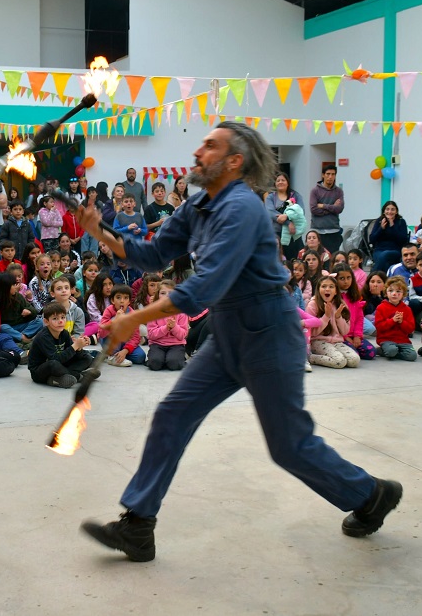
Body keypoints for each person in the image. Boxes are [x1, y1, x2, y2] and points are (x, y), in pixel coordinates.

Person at [77, 123, 399, 563]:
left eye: (209, 146)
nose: (197, 151)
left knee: (288, 446)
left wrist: (134, 318)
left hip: (269, 331)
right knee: (173, 414)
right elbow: (153, 255)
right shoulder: (198, 204)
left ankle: (370, 494)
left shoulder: (244, 209)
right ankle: (138, 524)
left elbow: (202, 289)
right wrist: (99, 230)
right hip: (228, 331)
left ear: (234, 161)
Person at [27, 301, 92, 389]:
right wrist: (75, 346)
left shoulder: (64, 333)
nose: (60, 321)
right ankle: (77, 375)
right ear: (46, 321)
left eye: (63, 317)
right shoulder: (43, 336)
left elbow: (72, 354)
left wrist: (79, 347)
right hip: (41, 371)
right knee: (53, 364)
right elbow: (55, 359)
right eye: (55, 318)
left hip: (61, 365)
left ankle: (66, 377)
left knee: (87, 357)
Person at [306, 275, 359, 369]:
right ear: (318, 290)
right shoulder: (313, 305)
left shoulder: (341, 304)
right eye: (324, 286)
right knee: (339, 361)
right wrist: (326, 316)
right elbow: (311, 332)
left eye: (331, 286)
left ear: (335, 291)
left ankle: (334, 355)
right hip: (318, 341)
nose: (327, 289)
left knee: (354, 360)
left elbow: (345, 332)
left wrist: (338, 317)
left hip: (336, 341)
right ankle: (311, 357)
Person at [145, 281, 189, 371]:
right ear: (158, 295)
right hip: (157, 344)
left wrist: (174, 327)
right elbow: (151, 334)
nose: (167, 296)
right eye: (163, 293)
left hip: (176, 344)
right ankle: (160, 359)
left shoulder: (181, 311)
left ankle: (176, 359)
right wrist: (166, 328)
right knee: (155, 364)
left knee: (174, 364)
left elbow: (183, 335)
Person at [334, 266, 375, 360]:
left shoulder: (354, 296)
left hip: (354, 335)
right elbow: (334, 321)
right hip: (340, 337)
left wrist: (357, 336)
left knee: (371, 352)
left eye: (349, 278)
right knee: (353, 354)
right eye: (342, 278)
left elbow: (360, 318)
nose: (346, 281)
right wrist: (345, 337)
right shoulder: (334, 298)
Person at [374, 276, 416, 361]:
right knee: (391, 350)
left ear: (403, 294)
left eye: (398, 291)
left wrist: (401, 322)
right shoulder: (381, 307)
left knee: (412, 356)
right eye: (391, 291)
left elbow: (411, 328)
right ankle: (385, 350)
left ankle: (391, 352)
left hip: (403, 340)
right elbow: (379, 326)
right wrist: (392, 321)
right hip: (386, 339)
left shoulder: (407, 309)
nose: (394, 294)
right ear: (386, 292)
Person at [266, 173, 306, 259]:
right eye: (278, 180)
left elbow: (301, 211)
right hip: (277, 235)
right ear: (275, 184)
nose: (280, 182)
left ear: (288, 182)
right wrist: (288, 222)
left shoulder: (296, 195)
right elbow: (270, 213)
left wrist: (287, 216)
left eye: (283, 180)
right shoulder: (270, 197)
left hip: (293, 234)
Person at [309, 164, 345, 254]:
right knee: (318, 258)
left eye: (333, 174)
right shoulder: (315, 191)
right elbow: (313, 209)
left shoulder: (338, 191)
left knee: (332, 259)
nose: (330, 177)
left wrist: (323, 206)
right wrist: (332, 206)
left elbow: (339, 209)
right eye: (328, 174)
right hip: (318, 231)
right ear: (323, 175)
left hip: (334, 230)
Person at [369, 201, 408, 272]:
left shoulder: (401, 222)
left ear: (396, 212)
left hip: (395, 250)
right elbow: (372, 239)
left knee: (384, 255)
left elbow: (403, 240)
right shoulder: (379, 221)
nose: (390, 212)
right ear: (384, 211)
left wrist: (392, 226)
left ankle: (372, 276)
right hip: (379, 250)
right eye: (387, 209)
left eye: (392, 209)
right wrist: (381, 228)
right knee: (386, 264)